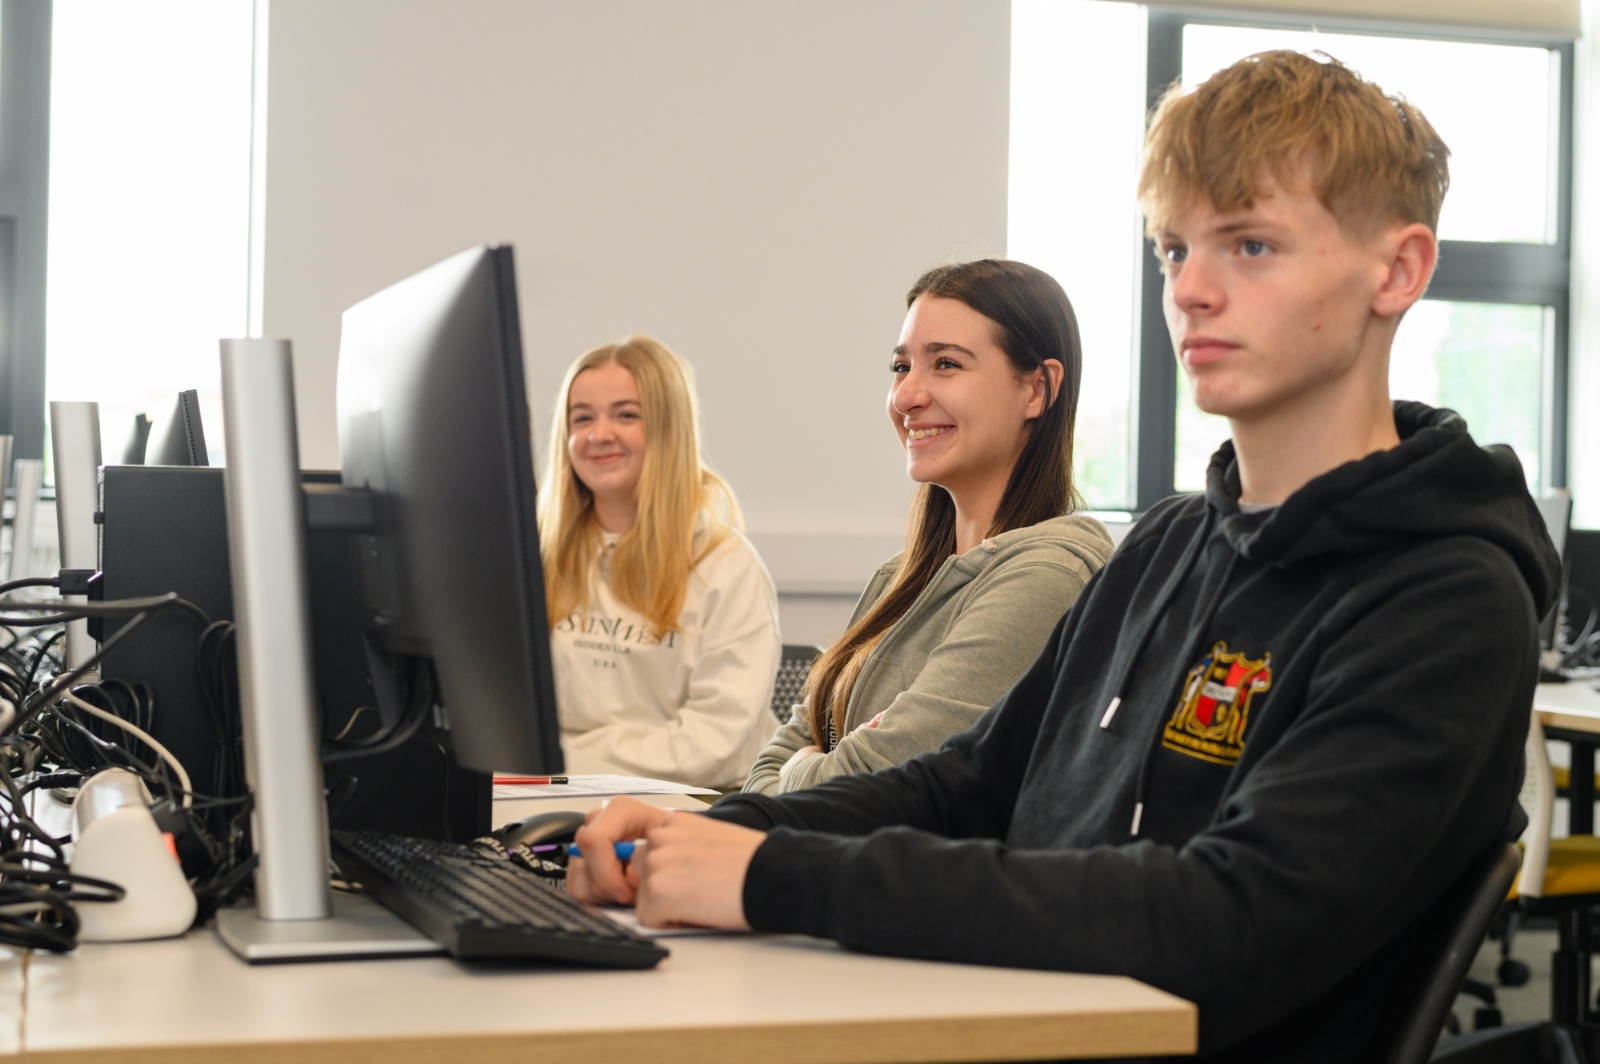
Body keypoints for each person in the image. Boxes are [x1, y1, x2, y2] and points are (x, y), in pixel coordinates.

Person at [567, 51, 1561, 1062]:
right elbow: (967, 783)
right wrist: (727, 830)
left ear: (1397, 271)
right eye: (1174, 250)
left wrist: (770, 876)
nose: (1192, 290)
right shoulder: (1170, 544)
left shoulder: (1445, 597)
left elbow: (1221, 920)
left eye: (1250, 245)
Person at [744, 259, 1114, 794]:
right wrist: (815, 766)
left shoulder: (1046, 577)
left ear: (1037, 390)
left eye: (946, 364)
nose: (906, 397)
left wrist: (806, 767)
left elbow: (866, 790)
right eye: (901, 367)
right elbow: (763, 775)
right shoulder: (898, 580)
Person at [538, 336, 779, 791]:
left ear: (669, 429)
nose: (598, 434)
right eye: (582, 418)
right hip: (557, 792)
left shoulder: (727, 566)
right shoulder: (538, 559)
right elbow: (512, 718)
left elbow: (712, 746)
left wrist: (567, 756)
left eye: (626, 415)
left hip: (699, 804)